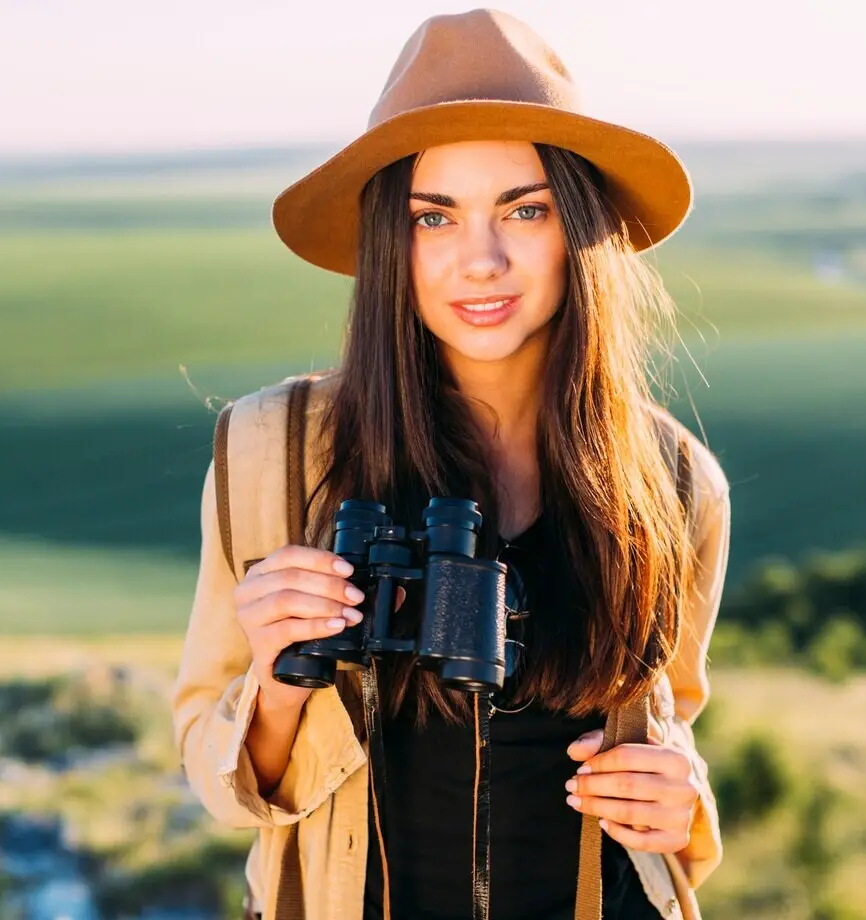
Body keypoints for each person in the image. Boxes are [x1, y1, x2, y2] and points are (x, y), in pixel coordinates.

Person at [172, 9, 732, 920]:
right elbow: (219, 769)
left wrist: (680, 800)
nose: (482, 260)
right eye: (435, 217)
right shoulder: (270, 449)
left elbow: (672, 734)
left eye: (526, 208)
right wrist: (275, 680)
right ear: (395, 245)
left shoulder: (673, 482)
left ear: (579, 228)